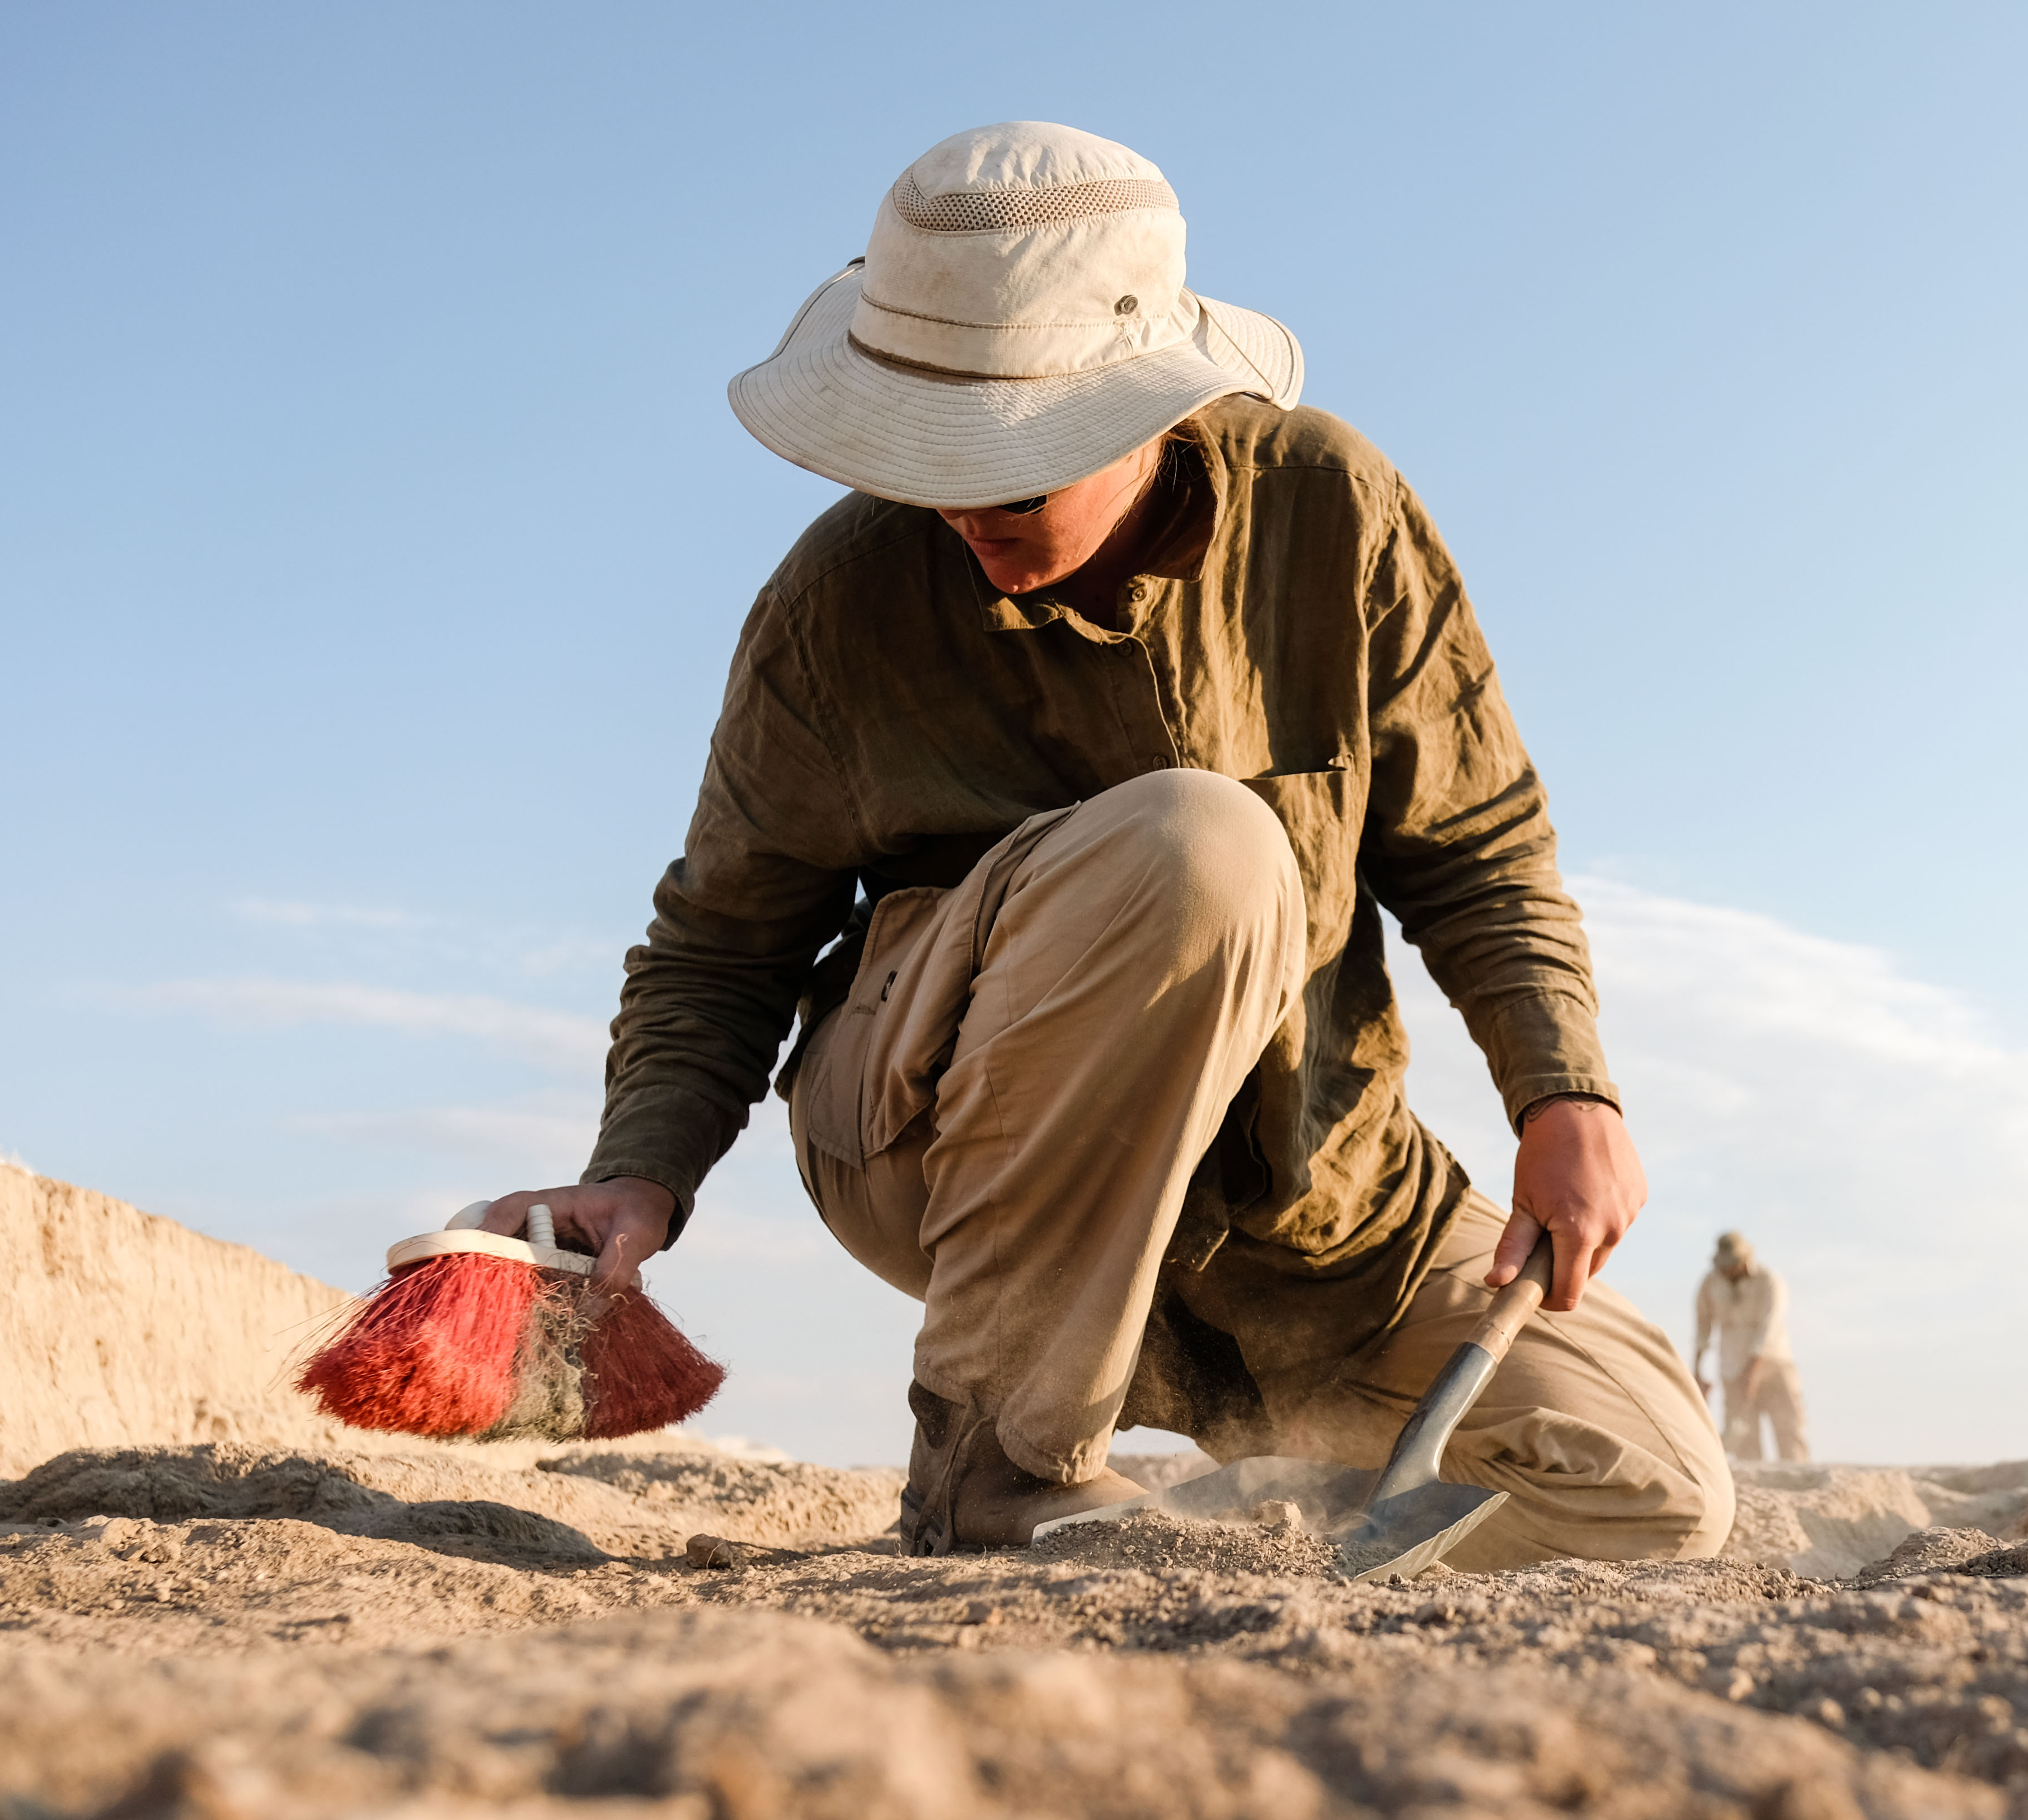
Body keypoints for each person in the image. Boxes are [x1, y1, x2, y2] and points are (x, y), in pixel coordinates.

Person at [475, 123, 1729, 1569]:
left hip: (1318, 1223)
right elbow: (724, 942)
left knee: (1649, 1504)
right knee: (1201, 842)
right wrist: (643, 1168)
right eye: (926, 463)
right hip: (943, 1150)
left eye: (1007, 475)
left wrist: (1565, 1092)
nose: (960, 513)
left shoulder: (1329, 505)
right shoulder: (836, 602)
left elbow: (1477, 842)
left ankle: (1228, 1516)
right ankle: (1001, 1464)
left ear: (1147, 410)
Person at [1693, 1232, 1808, 1462]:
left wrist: (1752, 1371)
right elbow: (1702, 1328)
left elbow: (1770, 1328)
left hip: (1775, 1365)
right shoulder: (1711, 1283)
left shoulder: (1769, 1281)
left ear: (1744, 1260)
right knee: (1745, 1439)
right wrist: (1697, 1371)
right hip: (1731, 1367)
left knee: (1789, 1431)